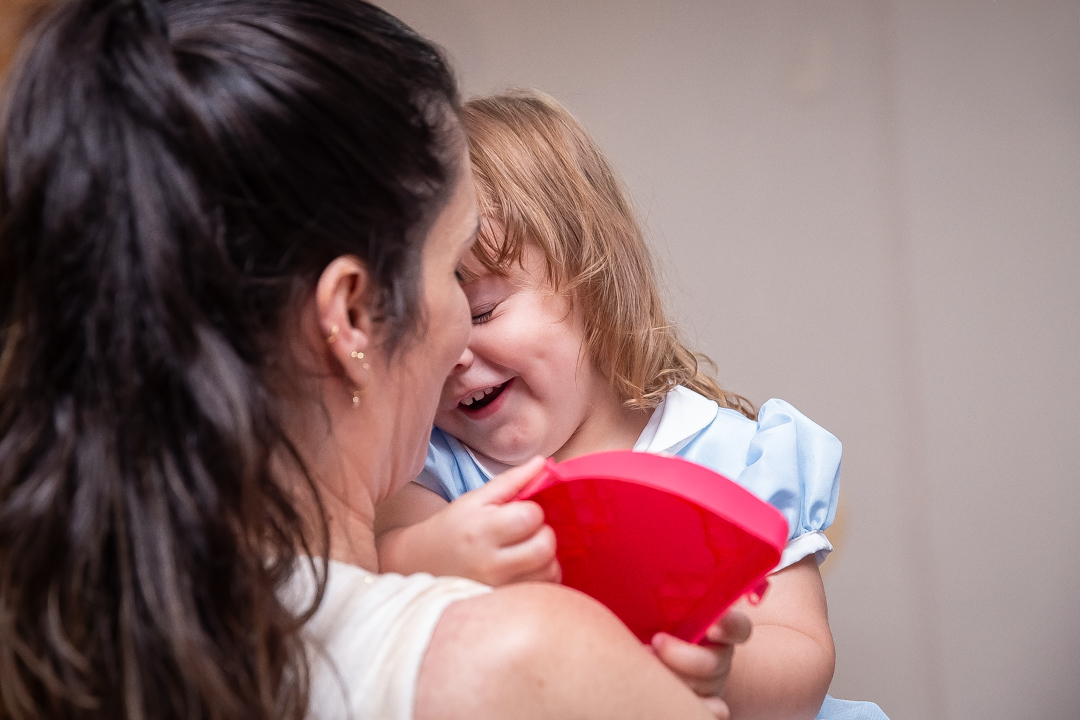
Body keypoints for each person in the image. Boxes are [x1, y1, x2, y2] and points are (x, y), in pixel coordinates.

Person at [0, 2, 747, 720]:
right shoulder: (520, 662)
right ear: (352, 315)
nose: (463, 341)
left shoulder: (61, 630)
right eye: (452, 268)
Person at [375, 90, 889, 720]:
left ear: (592, 282)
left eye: (481, 311)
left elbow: (806, 660)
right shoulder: (433, 469)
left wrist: (721, 671)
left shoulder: (737, 459)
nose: (453, 352)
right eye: (423, 332)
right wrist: (441, 561)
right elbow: (371, 575)